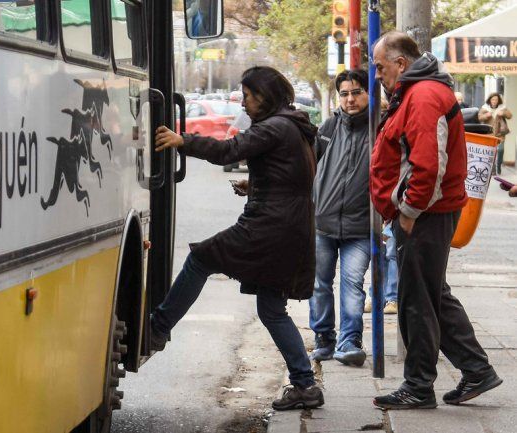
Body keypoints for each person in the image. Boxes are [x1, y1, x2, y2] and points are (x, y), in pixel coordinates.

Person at [151, 66, 324, 411]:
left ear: (264, 96)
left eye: (247, 96)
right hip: (288, 225)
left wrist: (183, 140)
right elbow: (294, 174)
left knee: (201, 258)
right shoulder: (293, 124)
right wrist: (255, 184)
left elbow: (228, 151)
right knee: (272, 309)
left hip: (270, 227)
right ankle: (305, 385)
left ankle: (158, 326)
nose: (243, 104)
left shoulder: (274, 127)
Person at [370, 31, 502, 410]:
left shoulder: (424, 95)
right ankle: (476, 370)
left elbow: (429, 164)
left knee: (417, 301)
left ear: (400, 63)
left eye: (380, 67)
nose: (377, 74)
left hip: (425, 214)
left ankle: (418, 386)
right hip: (427, 213)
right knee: (432, 295)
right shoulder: (417, 93)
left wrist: (409, 212)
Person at [308, 69, 372, 367]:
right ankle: (323, 338)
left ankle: (349, 341)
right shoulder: (328, 128)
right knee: (319, 283)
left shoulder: (380, 130)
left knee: (352, 284)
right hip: (323, 222)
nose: (350, 99)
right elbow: (309, 170)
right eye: (344, 93)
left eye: (357, 92)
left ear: (370, 93)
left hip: (361, 227)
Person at [478, 93, 512, 175]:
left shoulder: (502, 108)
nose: (494, 101)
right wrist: (486, 115)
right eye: (493, 99)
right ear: (490, 100)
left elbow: (510, 115)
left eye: (496, 100)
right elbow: (479, 118)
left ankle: (499, 165)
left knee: (500, 150)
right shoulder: (485, 108)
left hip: (500, 133)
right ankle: (493, 170)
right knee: (491, 152)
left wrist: (503, 113)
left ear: (498, 101)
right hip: (489, 133)